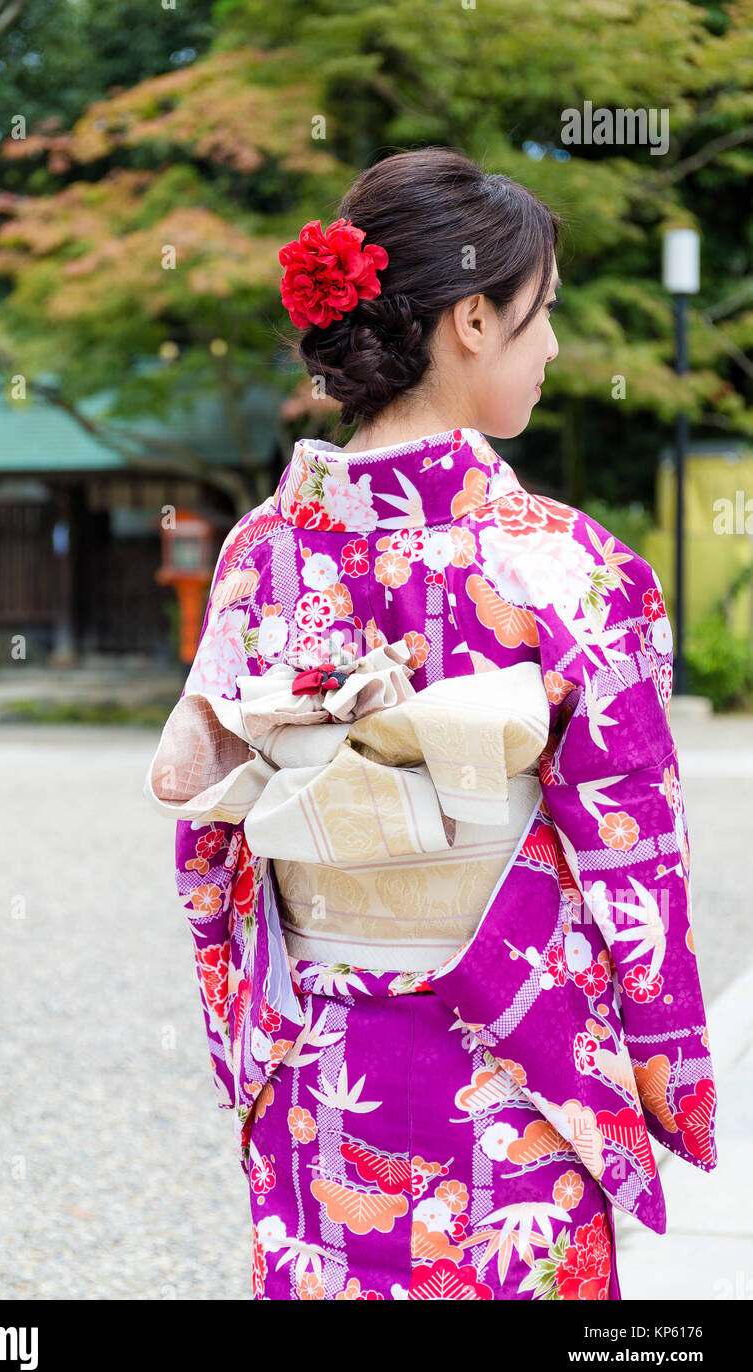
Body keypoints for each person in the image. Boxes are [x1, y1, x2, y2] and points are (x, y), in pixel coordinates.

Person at [145, 147, 717, 1301]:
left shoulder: (260, 553)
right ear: (469, 319)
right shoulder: (570, 567)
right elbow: (633, 862)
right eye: (538, 313)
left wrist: (243, 1041)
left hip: (317, 1072)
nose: (552, 345)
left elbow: (207, 840)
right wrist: (664, 1074)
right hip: (516, 1072)